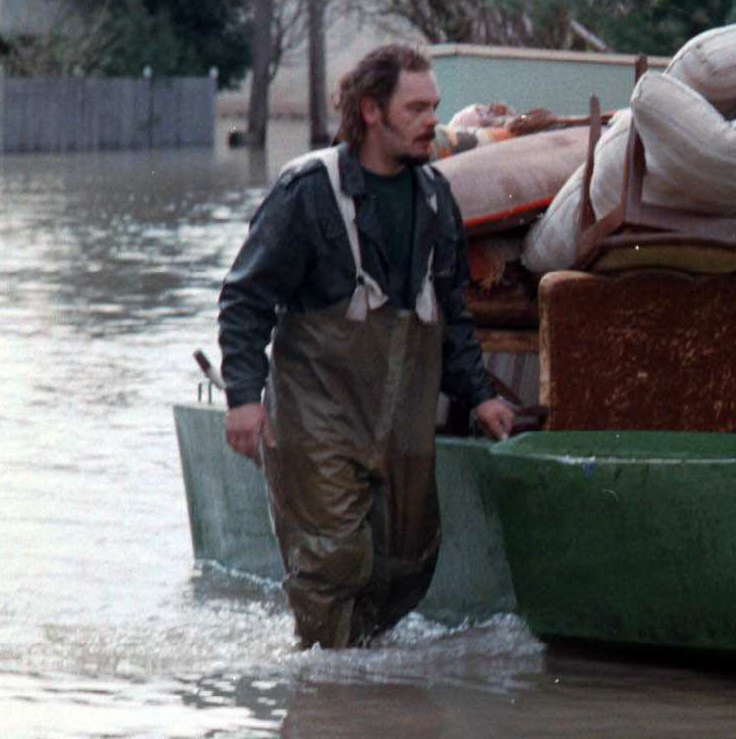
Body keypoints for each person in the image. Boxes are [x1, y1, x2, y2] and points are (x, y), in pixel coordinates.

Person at [218, 43, 516, 648]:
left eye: (434, 106)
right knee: (332, 563)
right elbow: (246, 299)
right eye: (415, 108)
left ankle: (364, 687)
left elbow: (453, 313)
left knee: (408, 564)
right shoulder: (309, 191)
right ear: (371, 111)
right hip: (319, 417)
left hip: (402, 420)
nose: (432, 120)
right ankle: (328, 703)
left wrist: (480, 396)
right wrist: (244, 399)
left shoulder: (435, 197)